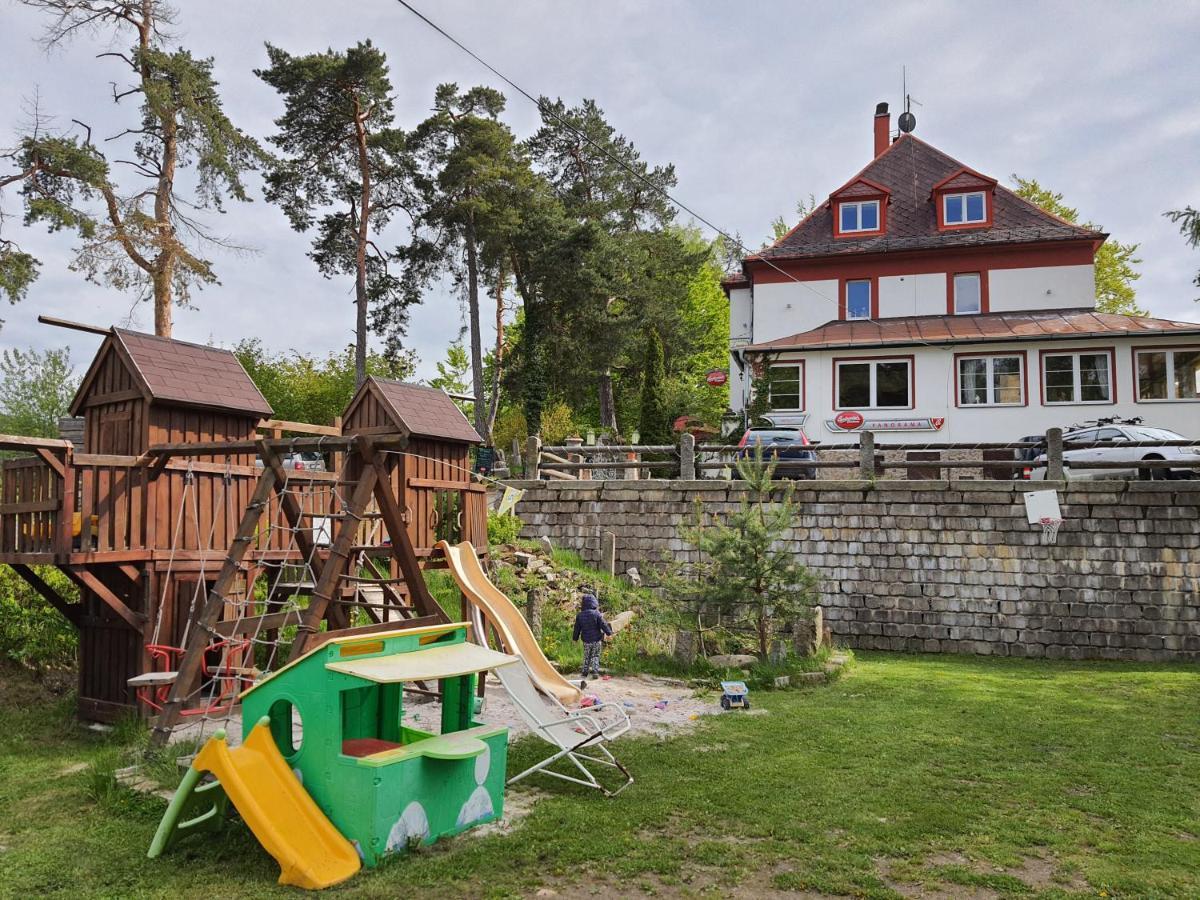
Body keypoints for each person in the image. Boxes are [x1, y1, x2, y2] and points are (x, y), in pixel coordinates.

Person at [572, 592, 612, 681]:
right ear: (594, 603)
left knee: (587, 656)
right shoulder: (597, 614)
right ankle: (595, 672)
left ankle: (585, 672)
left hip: (586, 641)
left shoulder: (580, 615)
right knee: (595, 656)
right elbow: (603, 624)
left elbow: (577, 628)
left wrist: (575, 639)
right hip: (596, 640)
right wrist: (609, 633)